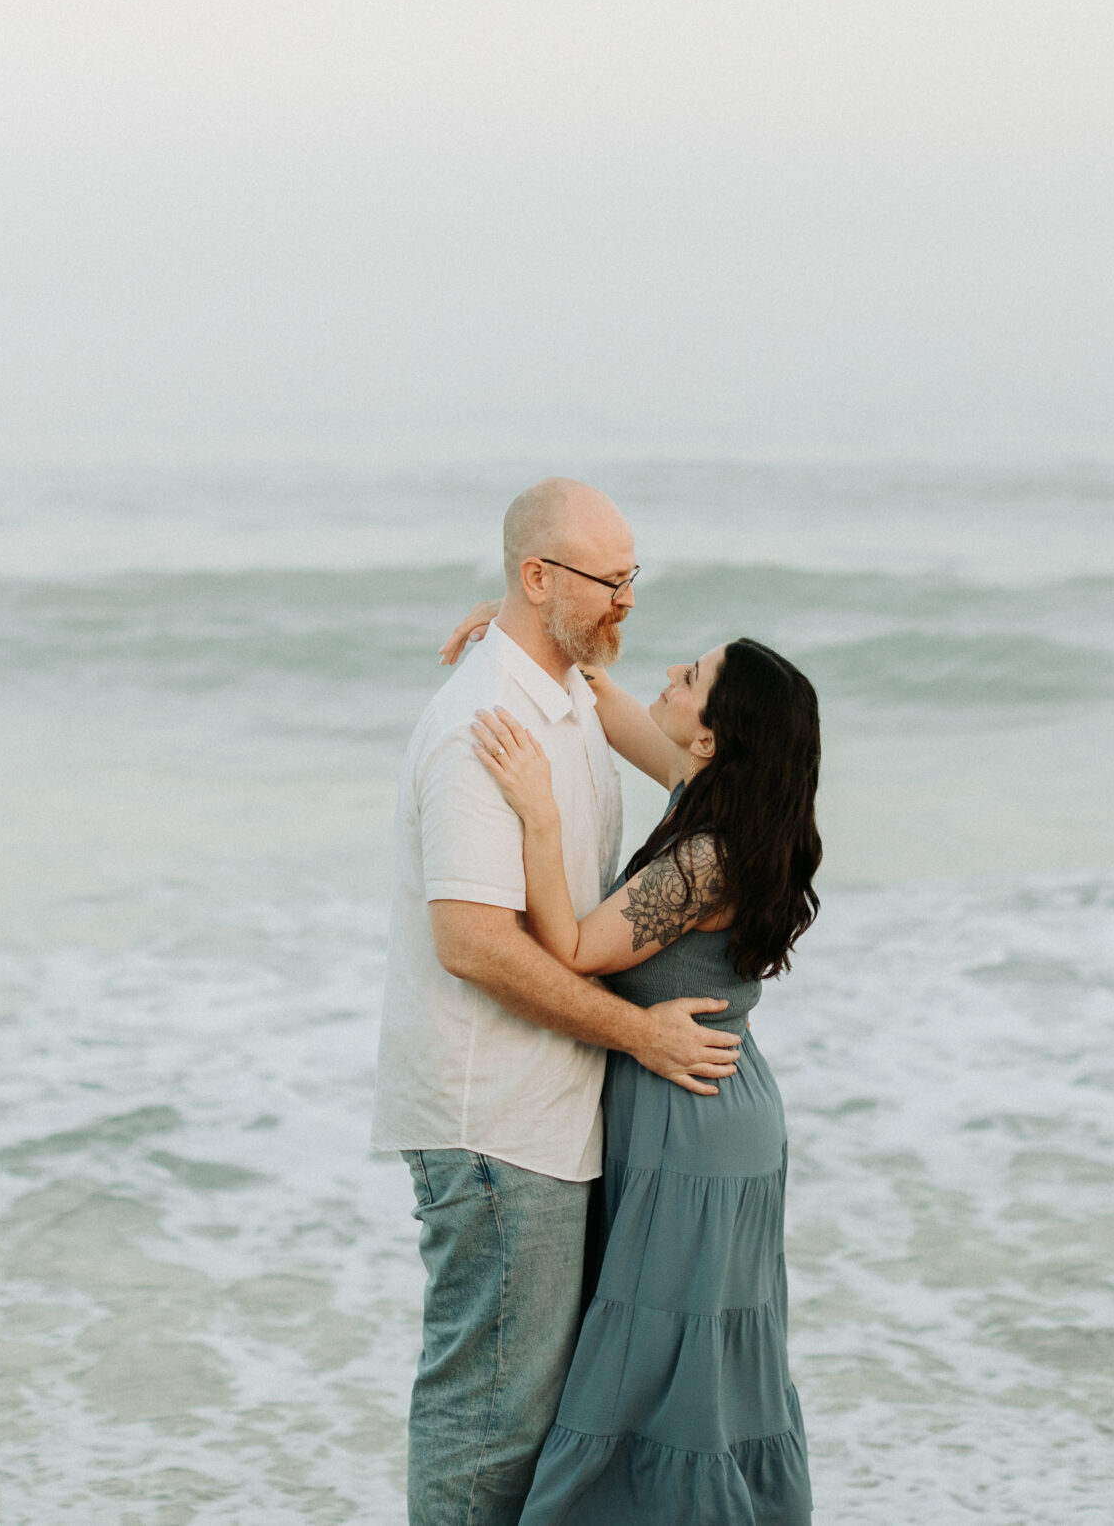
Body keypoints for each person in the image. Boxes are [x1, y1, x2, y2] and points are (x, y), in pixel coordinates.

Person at [372, 477, 746, 1526]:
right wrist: (639, 1034)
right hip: (494, 1123)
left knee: (532, 1413)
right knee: (488, 1413)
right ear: (540, 578)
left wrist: (512, 623)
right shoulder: (480, 726)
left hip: (549, 1113)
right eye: (607, 581)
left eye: (634, 577)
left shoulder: (566, 688)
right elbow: (475, 946)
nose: (628, 601)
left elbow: (717, 767)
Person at [454, 617, 824, 1525]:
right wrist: (537, 633)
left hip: (691, 1121)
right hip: (717, 1107)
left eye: (691, 676)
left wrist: (539, 809)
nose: (668, 670)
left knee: (667, 1367)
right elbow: (616, 708)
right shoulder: (714, 794)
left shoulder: (705, 858)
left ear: (709, 735)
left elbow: (574, 947)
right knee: (692, 1363)